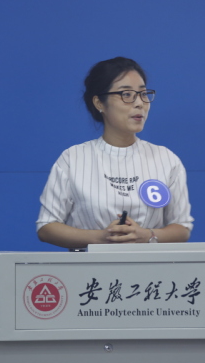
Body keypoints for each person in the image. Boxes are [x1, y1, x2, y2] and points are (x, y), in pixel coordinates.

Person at [36, 57, 193, 249]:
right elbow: (46, 226)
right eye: (127, 94)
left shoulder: (166, 159)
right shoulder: (73, 158)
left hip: (151, 267)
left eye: (143, 94)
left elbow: (182, 227)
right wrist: (102, 238)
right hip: (88, 267)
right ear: (99, 103)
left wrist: (146, 235)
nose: (139, 103)